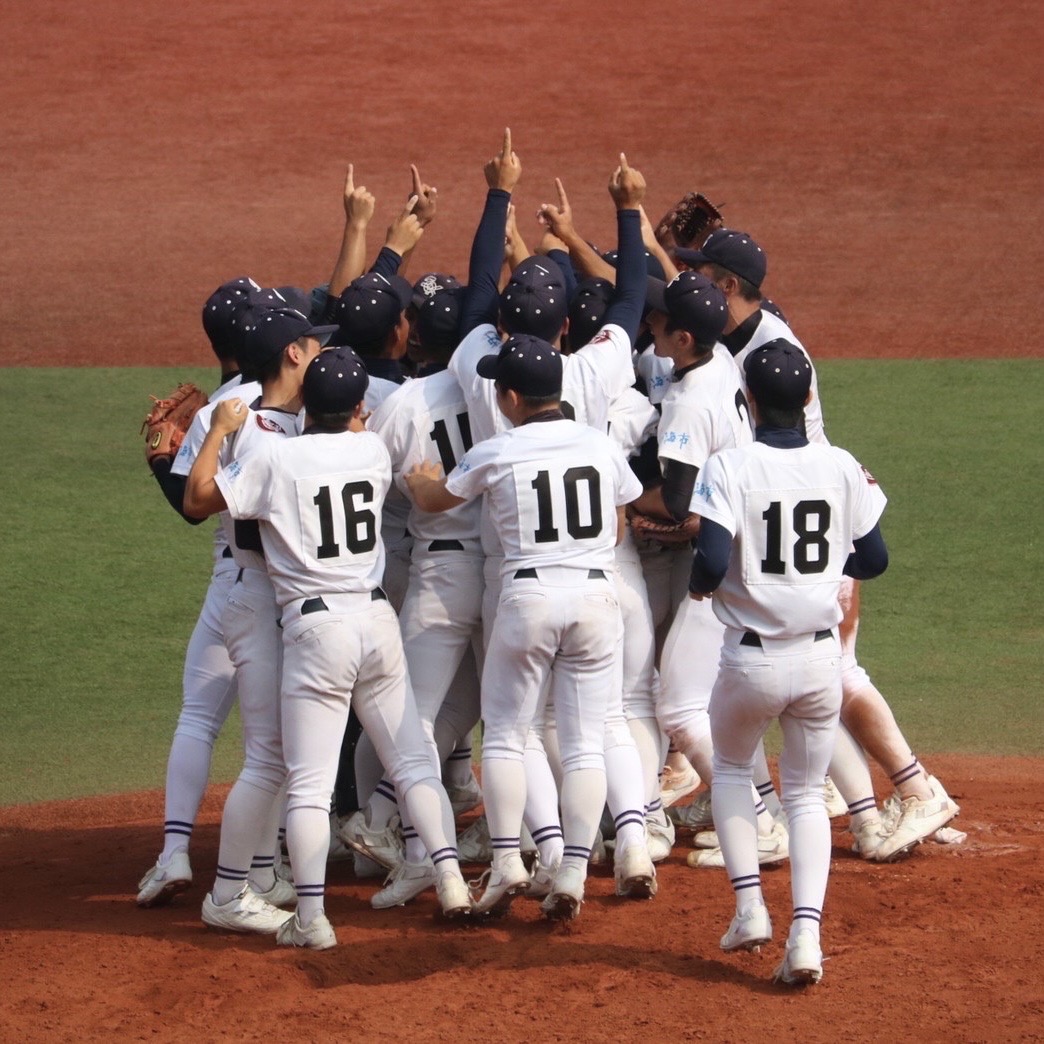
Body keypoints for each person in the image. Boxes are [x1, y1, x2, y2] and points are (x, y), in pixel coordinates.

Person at [184, 347, 472, 949]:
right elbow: (360, 433)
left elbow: (198, 498)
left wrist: (216, 433)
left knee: (308, 783)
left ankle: (312, 919)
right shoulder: (370, 450)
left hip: (315, 631)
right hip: (376, 620)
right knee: (414, 760)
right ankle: (450, 877)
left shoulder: (277, 459)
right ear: (359, 407)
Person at [405, 330, 644, 922]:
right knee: (586, 741)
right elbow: (616, 528)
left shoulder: (499, 448)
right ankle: (573, 870)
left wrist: (417, 481)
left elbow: (439, 499)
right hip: (596, 594)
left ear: (510, 397)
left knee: (509, 734)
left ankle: (509, 858)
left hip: (527, 596)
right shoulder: (597, 443)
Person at [688, 338, 889, 987]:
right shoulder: (840, 464)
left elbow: (714, 561)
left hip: (750, 662)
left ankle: (749, 908)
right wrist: (827, 565)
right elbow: (875, 558)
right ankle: (806, 936)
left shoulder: (730, 465)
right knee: (805, 795)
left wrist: (700, 585)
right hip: (819, 662)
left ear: (748, 401)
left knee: (730, 771)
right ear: (806, 398)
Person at [184, 303, 337, 934]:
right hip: (263, 597)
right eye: (313, 344)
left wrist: (219, 433)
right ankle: (229, 893)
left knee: (278, 751)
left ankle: (259, 873)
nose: (321, 352)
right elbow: (198, 505)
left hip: (261, 593)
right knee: (271, 754)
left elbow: (196, 501)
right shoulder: (278, 438)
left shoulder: (256, 424)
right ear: (293, 356)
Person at [136, 277, 260, 907]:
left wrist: (162, 460)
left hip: (231, 585)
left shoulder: (219, 412)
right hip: (296, 592)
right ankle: (269, 869)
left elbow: (191, 507)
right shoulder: (299, 397)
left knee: (197, 718)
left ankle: (175, 852)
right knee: (278, 744)